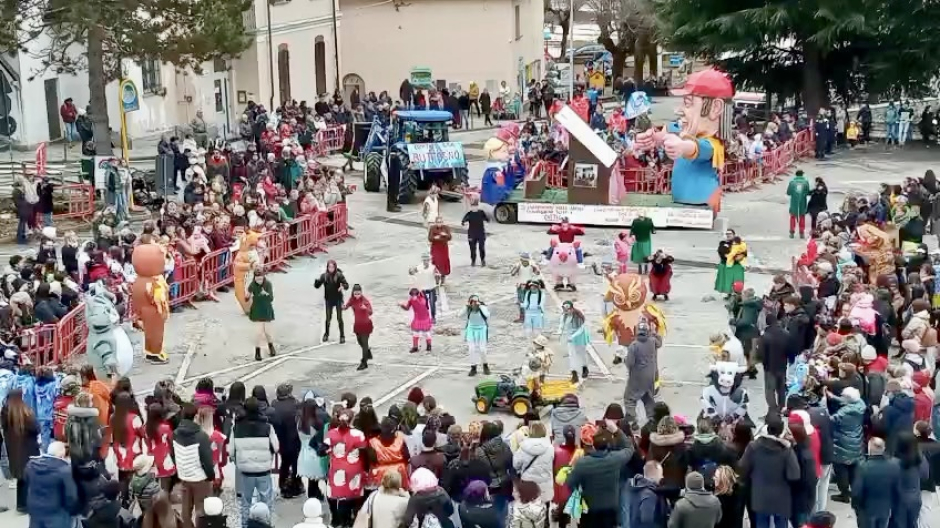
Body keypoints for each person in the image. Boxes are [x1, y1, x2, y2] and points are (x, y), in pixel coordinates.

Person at [738, 414, 800, 528]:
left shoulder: (753, 447)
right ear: (781, 431)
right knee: (781, 524)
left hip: (760, 496)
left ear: (766, 428)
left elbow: (742, 468)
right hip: (781, 497)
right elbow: (794, 475)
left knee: (761, 524)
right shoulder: (786, 450)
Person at [229, 397, 279, 526]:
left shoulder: (237, 427)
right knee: (266, 500)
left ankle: (245, 525)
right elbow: (276, 447)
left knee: (246, 502)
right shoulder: (267, 426)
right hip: (264, 471)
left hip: (246, 471)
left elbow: (231, 451)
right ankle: (265, 524)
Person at [173, 403, 216, 528]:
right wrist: (211, 476)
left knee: (185, 511)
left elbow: (173, 454)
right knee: (201, 511)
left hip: (184, 476)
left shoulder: (175, 434)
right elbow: (207, 461)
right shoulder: (201, 436)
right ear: (196, 416)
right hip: (200, 479)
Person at [24, 441, 78, 527]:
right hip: (56, 513)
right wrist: (73, 511)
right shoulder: (65, 470)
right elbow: (71, 496)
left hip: (35, 510)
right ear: (61, 454)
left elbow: (27, 483)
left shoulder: (31, 465)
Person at [2, 388, 39, 512]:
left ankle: (21, 504)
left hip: (13, 450)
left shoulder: (6, 412)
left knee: (21, 478)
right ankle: (26, 504)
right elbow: (36, 428)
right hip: (28, 448)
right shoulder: (25, 412)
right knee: (29, 477)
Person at [852, 437, 901, 528]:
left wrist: (856, 508)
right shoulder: (894, 466)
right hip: (885, 509)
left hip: (866, 509)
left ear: (869, 449)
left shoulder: (863, 467)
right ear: (883, 449)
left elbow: (857, 491)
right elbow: (898, 489)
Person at [623, 318, 660, 428]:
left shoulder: (633, 346)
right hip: (650, 376)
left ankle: (632, 420)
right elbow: (660, 342)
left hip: (637, 377)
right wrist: (654, 332)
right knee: (648, 398)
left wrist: (624, 360)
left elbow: (630, 363)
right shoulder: (652, 341)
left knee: (629, 398)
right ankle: (652, 419)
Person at [513, 421, 554, 510]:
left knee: (528, 507)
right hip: (545, 482)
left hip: (527, 483)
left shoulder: (523, 447)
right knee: (544, 504)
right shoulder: (550, 448)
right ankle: (545, 521)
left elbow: (516, 465)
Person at [272, 384, 301, 498]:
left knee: (284, 463)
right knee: (295, 464)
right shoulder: (295, 404)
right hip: (294, 439)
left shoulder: (274, 404)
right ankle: (295, 484)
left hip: (281, 440)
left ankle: (282, 483)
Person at [759, 314, 789, 414]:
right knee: (781, 389)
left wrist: (764, 364)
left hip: (770, 368)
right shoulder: (786, 334)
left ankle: (773, 411)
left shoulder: (765, 336)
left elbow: (762, 354)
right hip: (782, 366)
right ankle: (781, 408)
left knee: (769, 390)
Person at [314, 259, 349, 344]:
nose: (331, 269)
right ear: (327, 268)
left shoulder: (339, 275)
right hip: (329, 299)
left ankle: (342, 336)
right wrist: (317, 282)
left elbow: (346, 285)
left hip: (338, 299)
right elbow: (317, 285)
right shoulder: (324, 276)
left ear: (335, 267)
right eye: (329, 267)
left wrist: (343, 286)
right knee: (328, 318)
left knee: (339, 318)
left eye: (332, 267)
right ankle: (326, 334)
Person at [246, 269, 276, 361]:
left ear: (263, 277)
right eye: (257, 279)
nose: (259, 280)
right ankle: (257, 352)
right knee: (258, 333)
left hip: (266, 309)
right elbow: (247, 296)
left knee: (268, 332)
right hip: (257, 310)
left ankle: (271, 346)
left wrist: (265, 294)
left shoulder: (268, 284)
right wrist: (247, 296)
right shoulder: (252, 285)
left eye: (260, 278)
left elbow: (271, 298)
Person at [630, 461, 669, 528]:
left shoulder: (637, 489)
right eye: (660, 474)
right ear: (655, 474)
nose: (662, 477)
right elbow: (647, 519)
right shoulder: (649, 494)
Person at [344, 284, 374, 370]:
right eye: (355, 293)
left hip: (366, 325)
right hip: (357, 325)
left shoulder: (365, 301)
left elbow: (371, 312)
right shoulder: (352, 300)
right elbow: (347, 306)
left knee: (364, 343)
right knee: (360, 341)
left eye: (358, 293)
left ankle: (364, 363)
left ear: (361, 293)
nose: (357, 295)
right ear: (353, 293)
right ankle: (368, 352)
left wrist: (366, 308)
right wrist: (344, 307)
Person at [465, 295, 491, 376]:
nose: (474, 304)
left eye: (475, 302)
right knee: (471, 349)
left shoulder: (482, 308)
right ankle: (473, 367)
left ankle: (485, 365)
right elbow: (459, 315)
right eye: (472, 302)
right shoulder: (468, 309)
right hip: (471, 330)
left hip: (481, 329)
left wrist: (481, 306)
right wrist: (465, 306)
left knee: (482, 349)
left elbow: (487, 315)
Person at [462, 200, 489, 267]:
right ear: (471, 207)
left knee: (481, 248)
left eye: (476, 206)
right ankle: (473, 261)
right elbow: (463, 221)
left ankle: (483, 260)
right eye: (473, 206)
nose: (474, 208)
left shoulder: (481, 212)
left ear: (477, 206)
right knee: (472, 249)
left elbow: (487, 219)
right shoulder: (469, 214)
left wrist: (486, 221)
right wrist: (464, 223)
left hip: (480, 233)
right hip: (472, 233)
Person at [786, 170, 810, 239]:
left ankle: (791, 232)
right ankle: (801, 233)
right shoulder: (806, 182)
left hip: (794, 203)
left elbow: (788, 192)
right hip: (802, 203)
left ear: (796, 175)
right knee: (802, 217)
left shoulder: (792, 183)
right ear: (802, 175)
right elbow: (808, 192)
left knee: (792, 217)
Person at [429, 216, 453, 283]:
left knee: (443, 262)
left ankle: (443, 278)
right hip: (435, 248)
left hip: (443, 248)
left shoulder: (446, 228)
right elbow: (430, 238)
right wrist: (435, 238)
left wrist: (445, 235)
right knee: (436, 262)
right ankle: (436, 278)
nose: (439, 223)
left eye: (441, 222)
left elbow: (450, 237)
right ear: (436, 222)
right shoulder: (432, 228)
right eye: (438, 222)